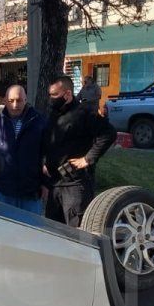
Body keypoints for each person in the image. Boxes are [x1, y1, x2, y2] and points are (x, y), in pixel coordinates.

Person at [43, 74, 117, 228]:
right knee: (53, 231)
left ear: (67, 94)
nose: (51, 99)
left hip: (75, 185)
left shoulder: (84, 113)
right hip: (55, 184)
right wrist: (45, 163)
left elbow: (108, 133)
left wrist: (88, 158)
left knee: (77, 232)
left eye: (55, 95)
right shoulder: (53, 115)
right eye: (50, 95)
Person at [0, 84, 47, 213]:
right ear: (4, 101)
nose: (15, 105)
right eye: (11, 100)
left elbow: (47, 155)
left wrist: (46, 183)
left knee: (30, 225)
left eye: (19, 100)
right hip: (3, 192)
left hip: (31, 192)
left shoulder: (40, 123)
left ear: (25, 100)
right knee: (3, 225)